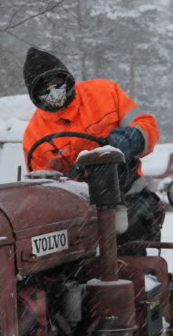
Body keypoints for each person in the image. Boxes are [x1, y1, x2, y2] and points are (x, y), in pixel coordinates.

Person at [22, 47, 163, 243]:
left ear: (67, 78)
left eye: (57, 84)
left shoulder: (105, 92)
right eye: (45, 90)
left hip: (128, 197)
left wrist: (127, 140)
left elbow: (148, 127)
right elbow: (43, 188)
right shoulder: (34, 133)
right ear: (35, 96)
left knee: (132, 256)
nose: (54, 93)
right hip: (75, 215)